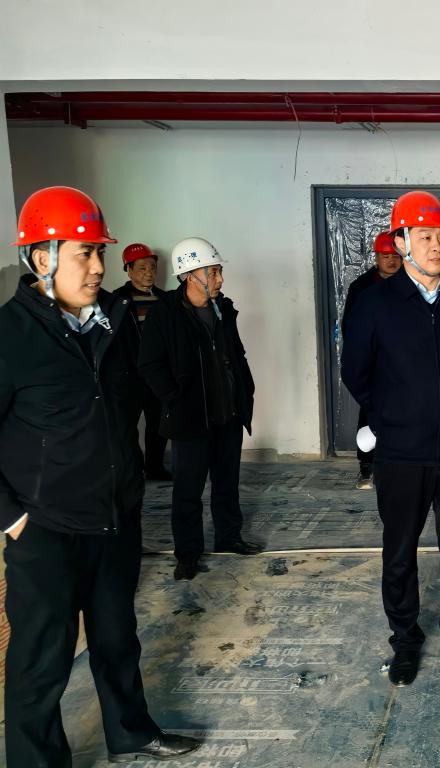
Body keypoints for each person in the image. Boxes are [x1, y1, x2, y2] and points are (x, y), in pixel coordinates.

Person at [1, 186, 201, 765]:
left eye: (100, 254)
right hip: (46, 529)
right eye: (83, 254)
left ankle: (131, 732)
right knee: (41, 661)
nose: (97, 268)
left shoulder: (111, 324)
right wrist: (13, 519)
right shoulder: (9, 336)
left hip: (114, 517)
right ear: (42, 258)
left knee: (117, 639)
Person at [342, 191, 440, 687]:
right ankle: (405, 639)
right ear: (402, 242)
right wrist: (396, 416)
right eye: (425, 236)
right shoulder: (373, 303)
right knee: (400, 553)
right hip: (403, 456)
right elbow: (355, 372)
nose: (437, 245)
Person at [137, 237, 261, 582]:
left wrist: (244, 391)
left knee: (227, 483)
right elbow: (149, 365)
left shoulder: (223, 309)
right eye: (214, 272)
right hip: (190, 420)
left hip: (227, 414)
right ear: (190, 275)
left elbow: (235, 355)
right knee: (187, 491)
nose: (220, 279)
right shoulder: (165, 313)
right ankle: (188, 554)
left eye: (219, 271)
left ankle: (229, 537)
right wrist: (175, 400)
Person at [341, 231, 403, 490]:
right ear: (376, 257)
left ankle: (400, 463)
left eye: (395, 256)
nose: (391, 261)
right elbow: (350, 327)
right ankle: (366, 467)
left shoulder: (412, 282)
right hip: (374, 363)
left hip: (404, 361)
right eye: (385, 256)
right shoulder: (362, 287)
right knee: (370, 412)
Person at [113, 242, 171, 481]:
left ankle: (155, 468)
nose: (149, 273)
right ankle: (134, 468)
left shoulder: (166, 300)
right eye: (142, 268)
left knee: (158, 424)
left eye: (152, 268)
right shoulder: (116, 301)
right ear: (128, 270)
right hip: (129, 375)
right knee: (126, 427)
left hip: (158, 373)